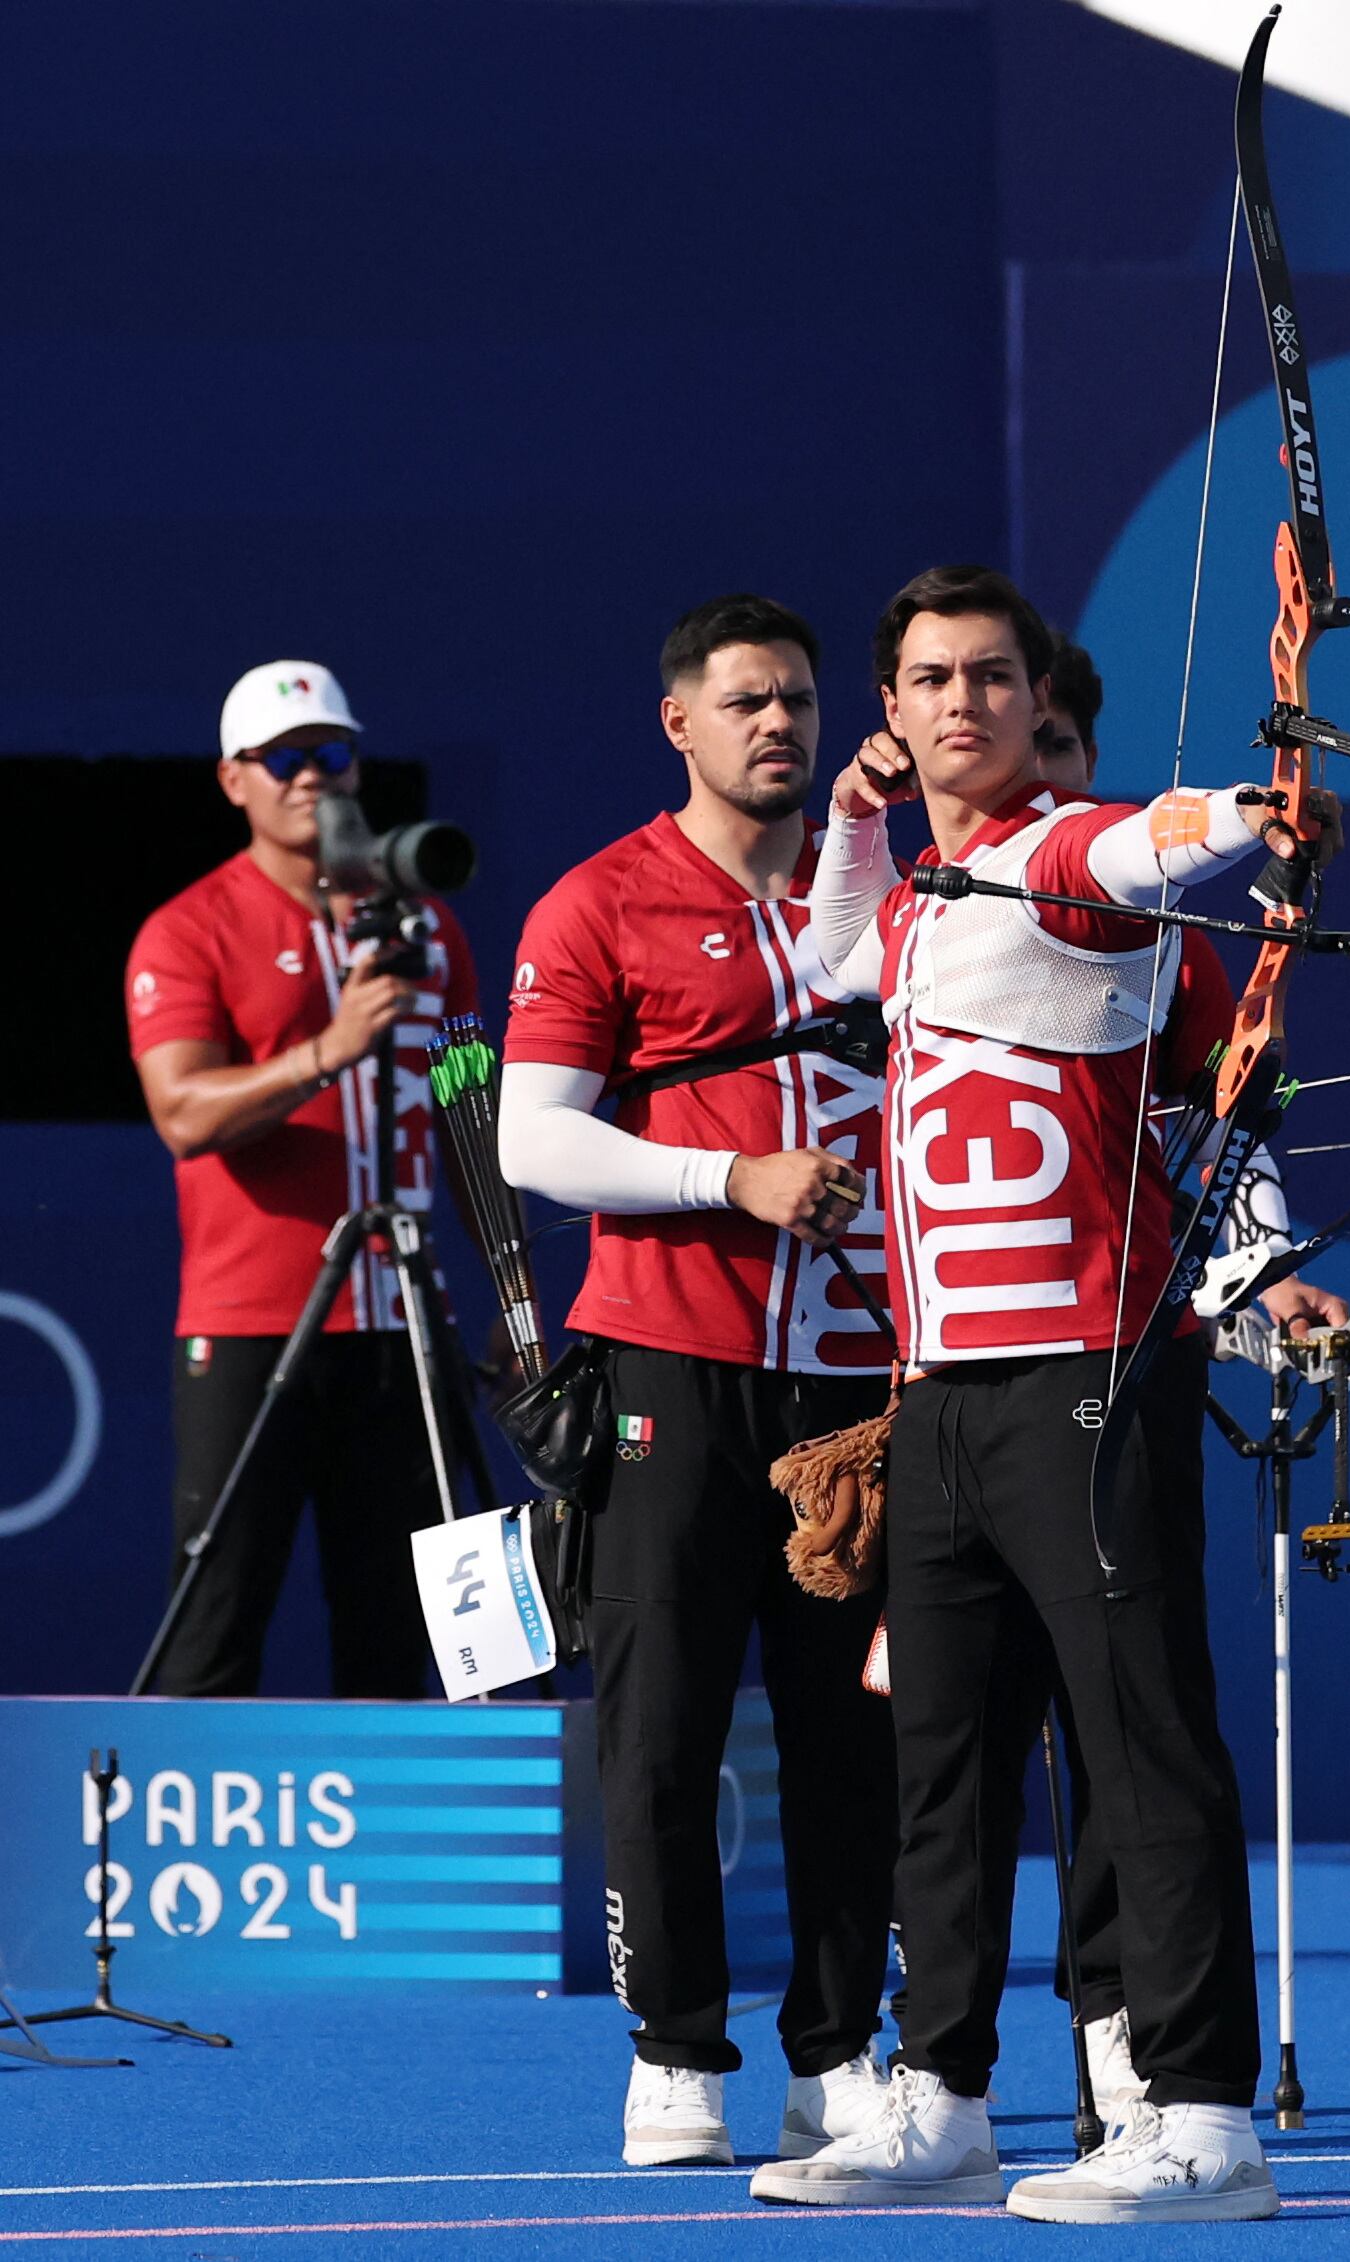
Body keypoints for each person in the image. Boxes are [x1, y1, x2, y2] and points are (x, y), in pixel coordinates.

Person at [750, 563, 1346, 2223]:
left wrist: (1255, 807)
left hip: (1081, 1383)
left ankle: (1203, 2117)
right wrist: (865, 820)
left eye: (989, 677)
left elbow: (1148, 841)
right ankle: (937, 2092)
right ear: (888, 709)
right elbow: (838, 950)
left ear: (1032, 703)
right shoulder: (922, 890)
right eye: (928, 678)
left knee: (1141, 1745)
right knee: (938, 1760)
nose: (960, 702)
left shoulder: (1060, 853)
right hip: (936, 1402)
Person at [498, 594, 899, 2172]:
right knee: (658, 1725)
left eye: (796, 698)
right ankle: (672, 2046)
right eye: (743, 701)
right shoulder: (597, 900)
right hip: (670, 1358)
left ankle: (835, 2052)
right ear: (679, 720)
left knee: (849, 1735)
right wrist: (733, 1178)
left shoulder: (874, 891)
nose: (776, 725)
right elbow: (533, 1136)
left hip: (854, 1376)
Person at [1035, 632, 1346, 2125]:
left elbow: (1221, 1141)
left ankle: (1118, 2021)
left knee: (1122, 1711)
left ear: (1083, 766)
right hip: (928, 1372)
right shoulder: (884, 927)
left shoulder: (1165, 943)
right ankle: (908, 2051)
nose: (1032, 776)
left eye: (1055, 750)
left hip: (1110, 1368)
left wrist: (1259, 1274)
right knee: (934, 1728)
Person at [126, 659, 478, 1699]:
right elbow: (182, 1115)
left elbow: (465, 1103)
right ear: (233, 779)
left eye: (331, 753)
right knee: (217, 1621)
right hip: (253, 1328)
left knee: (399, 1636)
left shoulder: (424, 924)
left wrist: (508, 1303)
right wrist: (326, 1052)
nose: (311, 777)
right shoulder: (189, 928)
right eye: (282, 759)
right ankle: (176, 1856)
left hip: (403, 1325)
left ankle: (387, 1860)